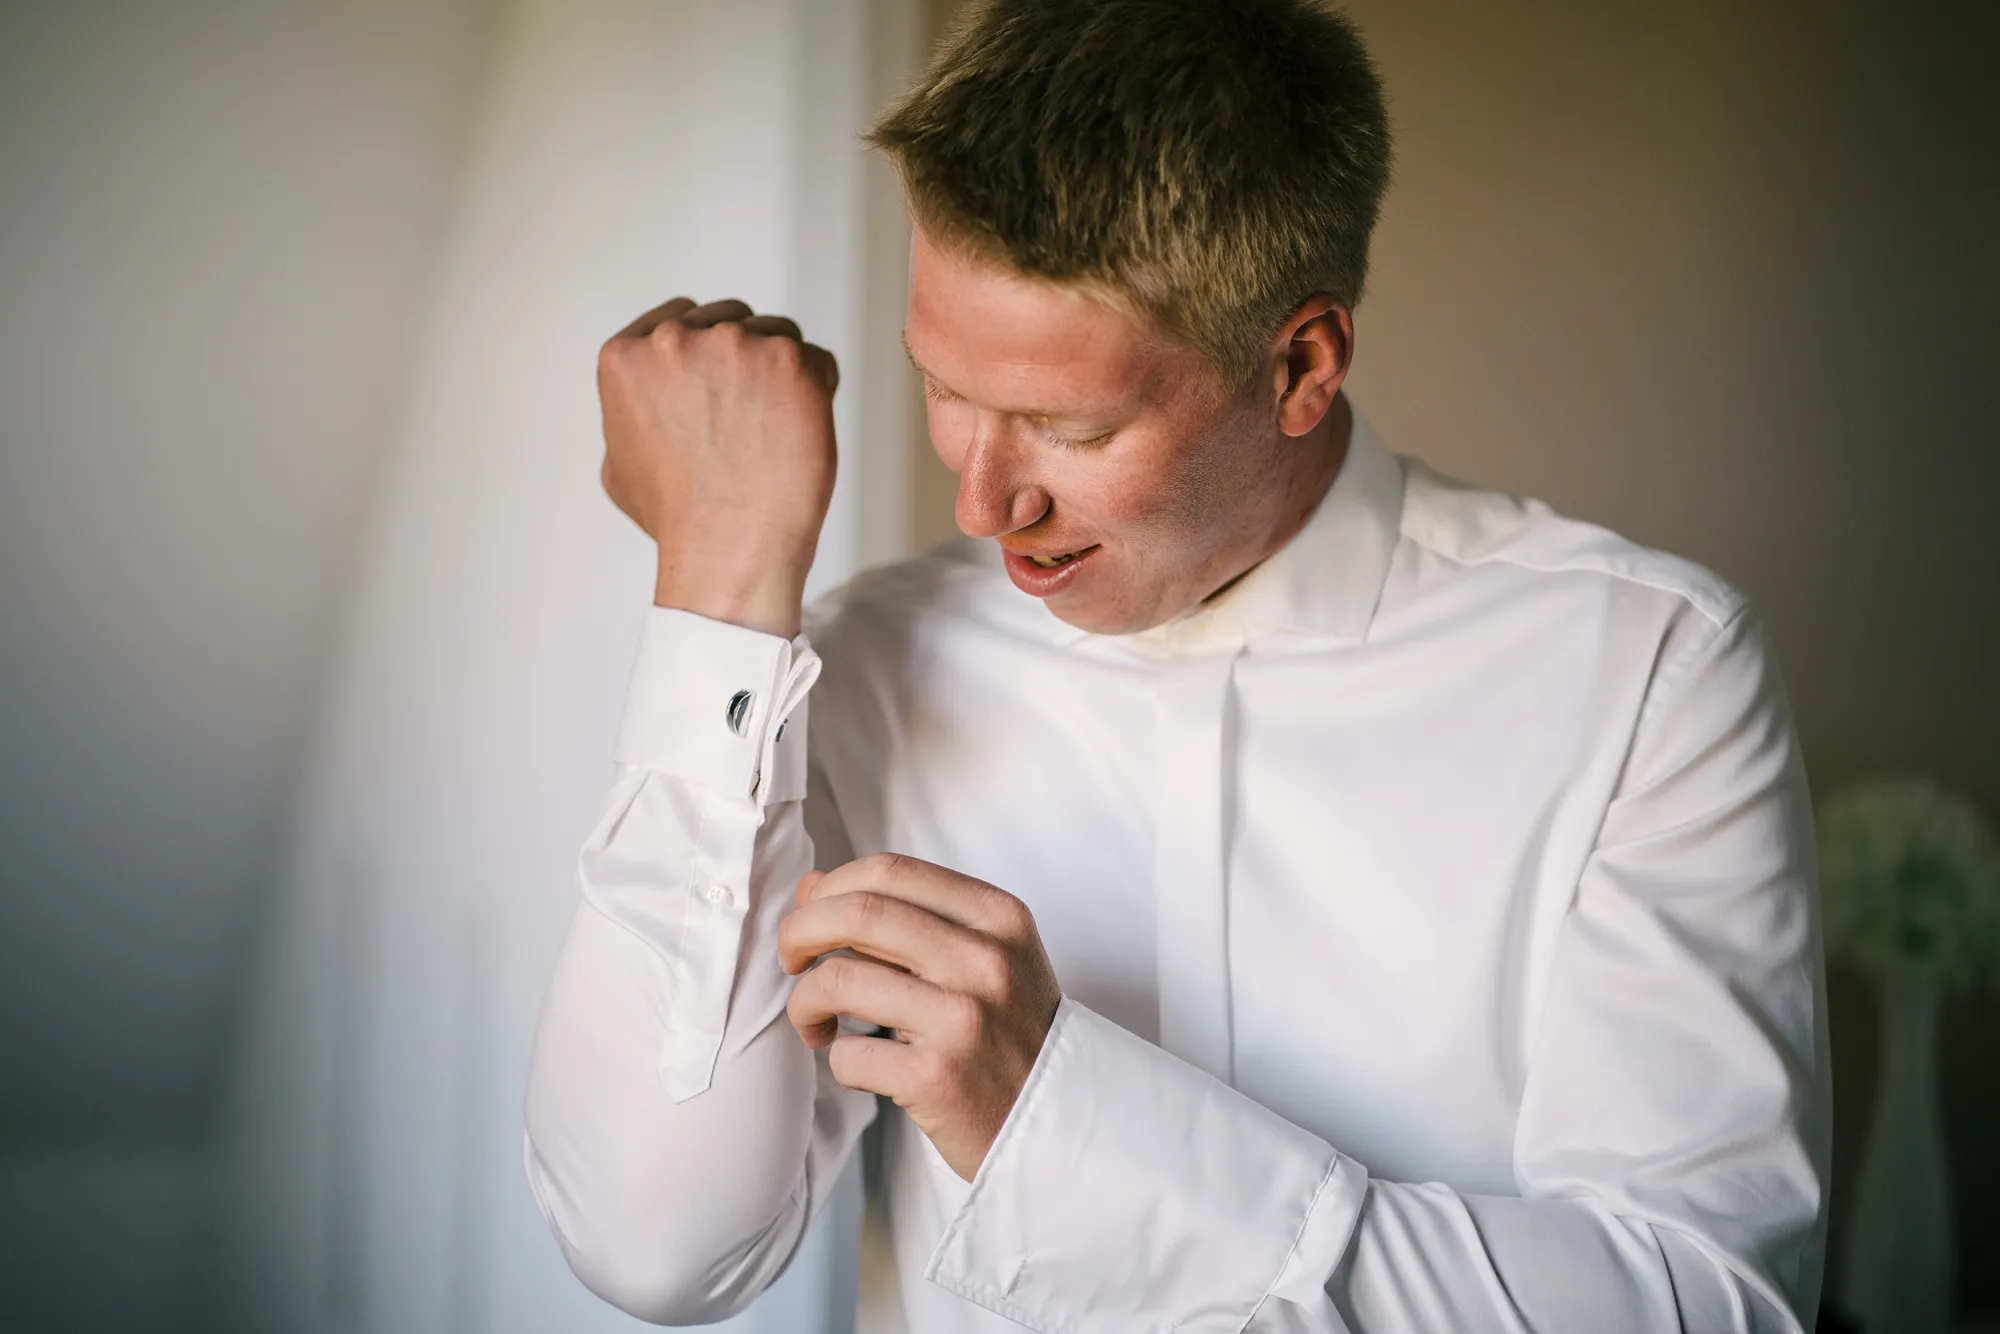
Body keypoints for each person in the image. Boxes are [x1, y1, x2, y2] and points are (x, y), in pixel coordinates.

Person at [523, 1, 1829, 1329]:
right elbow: (658, 1249)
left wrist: (1060, 1125)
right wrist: (720, 586)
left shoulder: (1648, 676)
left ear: (1301, 365)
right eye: (948, 388)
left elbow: (1708, 1304)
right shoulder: (864, 671)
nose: (981, 501)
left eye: (1067, 425)